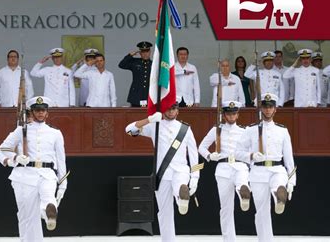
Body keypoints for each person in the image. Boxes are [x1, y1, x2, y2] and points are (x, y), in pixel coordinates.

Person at [125, 101, 201, 242]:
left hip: (181, 171)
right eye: (168, 109)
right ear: (163, 110)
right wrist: (149, 119)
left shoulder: (185, 129)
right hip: (162, 174)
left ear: (178, 111)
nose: (171, 112)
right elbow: (129, 130)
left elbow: (194, 154)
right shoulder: (155, 125)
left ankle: (181, 197)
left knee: (180, 186)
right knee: (164, 213)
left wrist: (195, 177)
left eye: (174, 109)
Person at [0, 96, 68, 241]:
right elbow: (1, 150)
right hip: (24, 175)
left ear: (47, 113)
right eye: (37, 110)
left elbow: (61, 160)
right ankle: (42, 219)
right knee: (27, 216)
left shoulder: (55, 133)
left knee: (48, 197)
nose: (40, 113)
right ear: (31, 112)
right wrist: (15, 158)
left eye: (43, 110)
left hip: (47, 173)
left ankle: (49, 210)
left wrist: (63, 184)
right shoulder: (21, 130)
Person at [236, 93, 296, 242]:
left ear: (275, 109)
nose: (268, 110)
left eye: (271, 107)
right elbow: (237, 152)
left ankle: (279, 195)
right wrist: (251, 156)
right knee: (262, 212)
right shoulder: (251, 129)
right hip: (258, 172)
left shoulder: (282, 130)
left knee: (278, 185)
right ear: (261, 109)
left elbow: (289, 159)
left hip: (277, 169)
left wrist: (292, 181)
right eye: (265, 107)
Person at [198, 101, 250, 242]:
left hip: (240, 165)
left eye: (234, 113)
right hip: (223, 168)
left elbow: (250, 152)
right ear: (224, 115)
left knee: (242, 180)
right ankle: (229, 239)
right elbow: (201, 147)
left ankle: (243, 193)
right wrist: (210, 156)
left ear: (238, 115)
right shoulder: (217, 129)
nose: (231, 116)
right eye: (229, 113)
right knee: (226, 208)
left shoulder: (244, 131)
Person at [118, 41, 152, 107]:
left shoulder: (154, 64)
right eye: (143, 52)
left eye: (147, 51)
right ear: (140, 53)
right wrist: (130, 55)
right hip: (136, 96)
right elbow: (121, 65)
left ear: (150, 52)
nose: (145, 54)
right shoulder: (135, 62)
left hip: (149, 95)